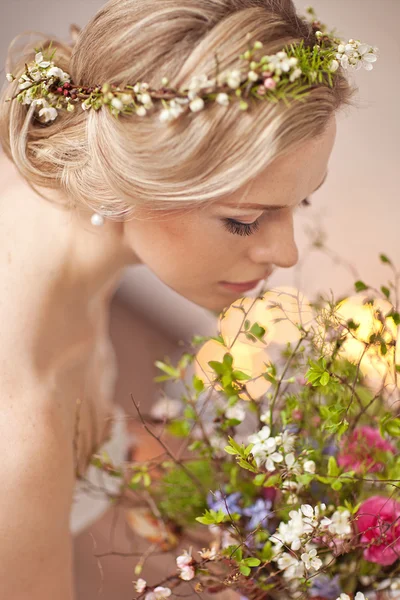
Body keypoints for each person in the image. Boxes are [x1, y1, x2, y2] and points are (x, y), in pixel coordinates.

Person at [0, 0, 375, 597]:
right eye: (246, 220)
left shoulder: (47, 214)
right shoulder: (19, 432)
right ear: (133, 180)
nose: (287, 254)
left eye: (300, 203)